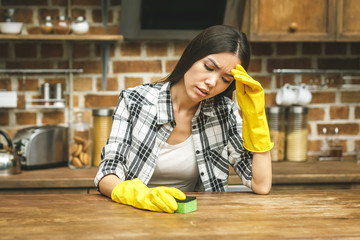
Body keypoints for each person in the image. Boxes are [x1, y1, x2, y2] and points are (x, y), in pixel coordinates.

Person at [94, 25, 273, 213]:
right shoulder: (135, 101)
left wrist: (256, 117)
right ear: (192, 56)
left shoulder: (224, 113)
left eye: (226, 80)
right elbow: (107, 173)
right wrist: (137, 195)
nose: (212, 82)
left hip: (193, 219)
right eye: (209, 67)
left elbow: (261, 185)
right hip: (133, 213)